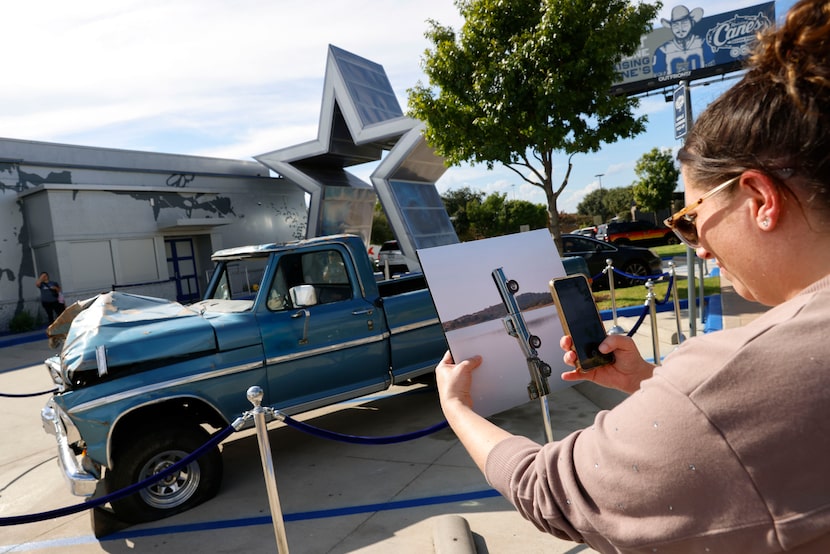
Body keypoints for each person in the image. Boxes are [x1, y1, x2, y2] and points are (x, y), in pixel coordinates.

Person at [436, 1, 830, 551]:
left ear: (761, 198)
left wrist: (456, 408)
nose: (695, 246)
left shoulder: (733, 376)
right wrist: (649, 381)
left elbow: (549, 491)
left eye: (690, 220)